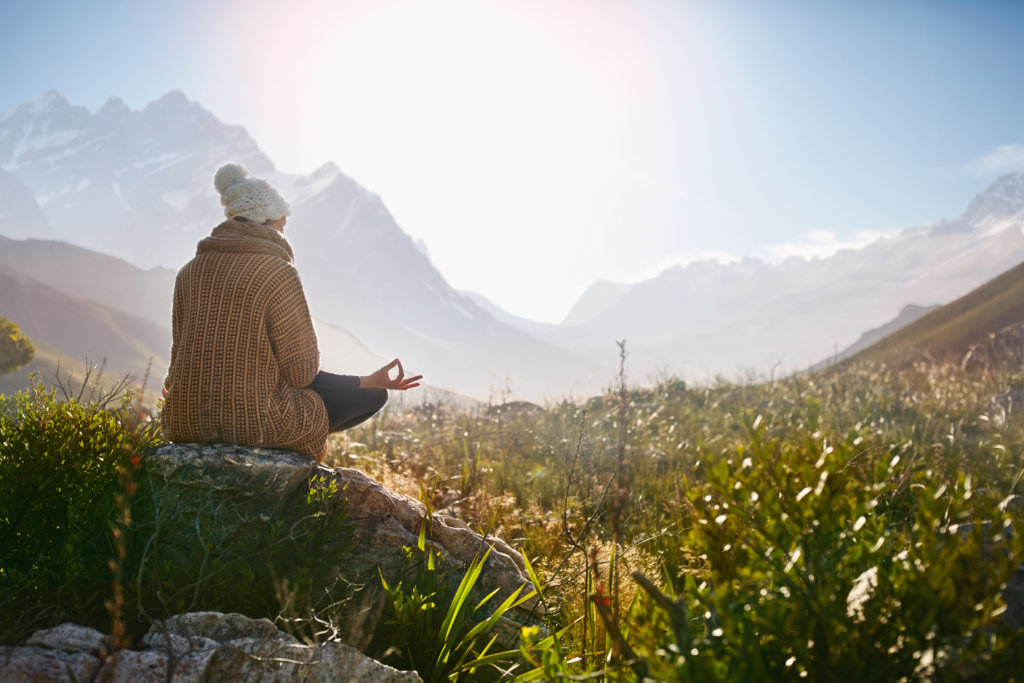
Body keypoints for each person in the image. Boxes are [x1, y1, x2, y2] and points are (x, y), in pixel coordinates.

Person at [161, 163, 421, 462]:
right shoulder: (278, 273)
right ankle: (301, 486)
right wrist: (365, 382)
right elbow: (301, 373)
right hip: (254, 424)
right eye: (281, 222)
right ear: (266, 219)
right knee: (371, 397)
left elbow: (176, 363)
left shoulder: (188, 273)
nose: (284, 230)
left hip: (182, 422)